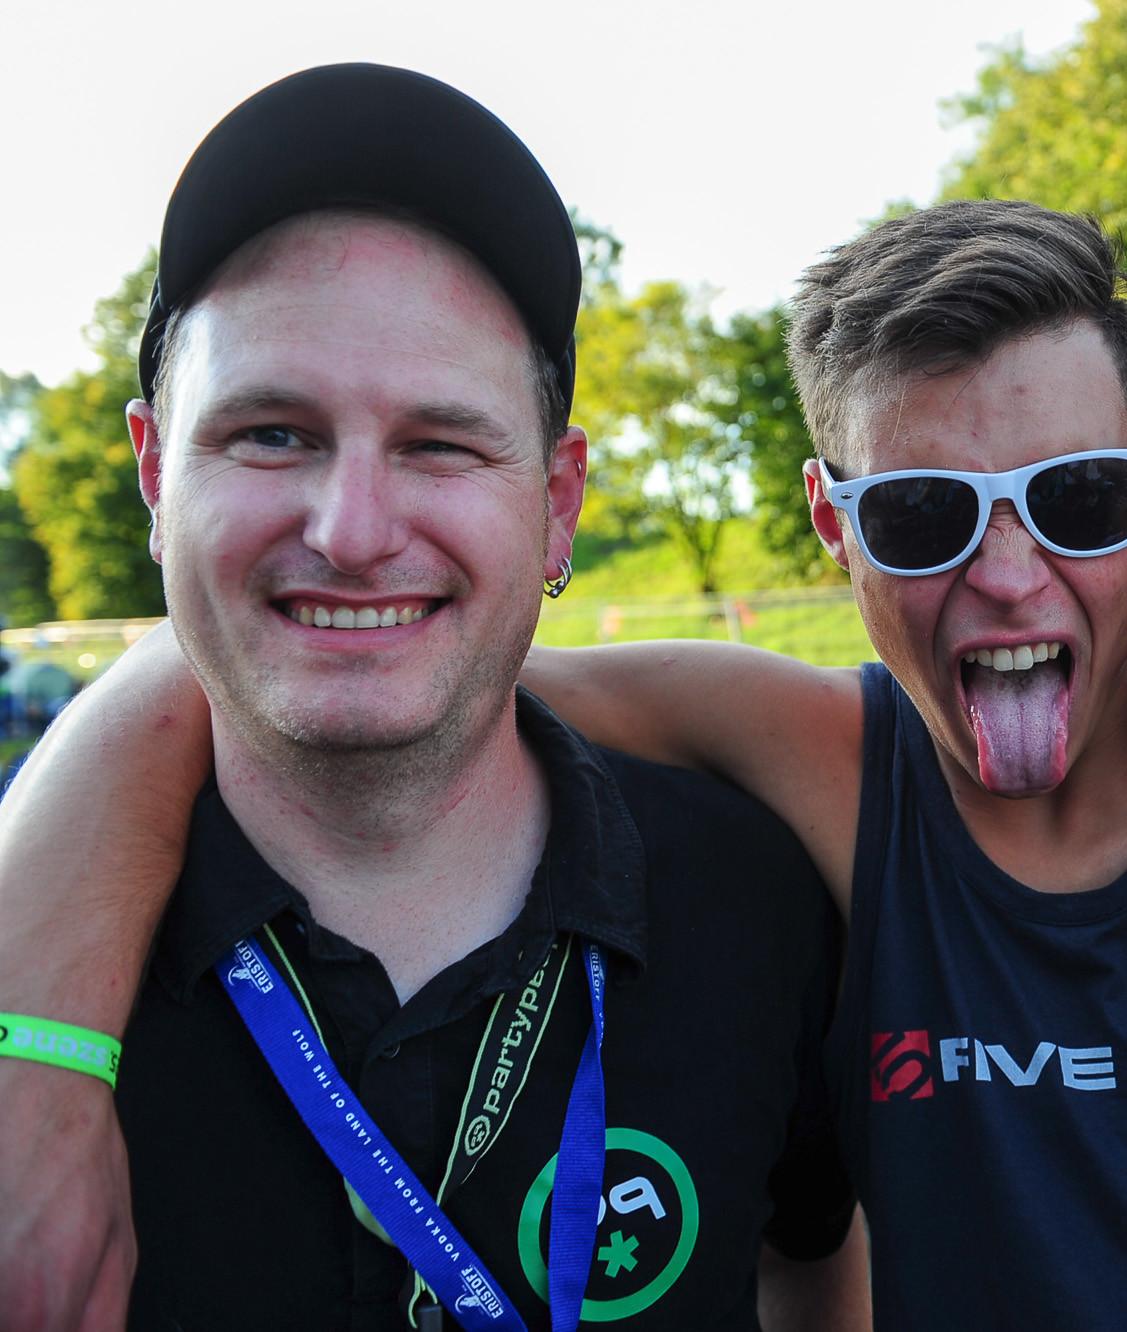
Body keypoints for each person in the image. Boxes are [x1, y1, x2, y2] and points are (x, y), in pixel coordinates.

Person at [0, 198, 1127, 1328]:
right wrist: (37, 1061)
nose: (1010, 577)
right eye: (923, 516)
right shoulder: (830, 763)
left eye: (1074, 498)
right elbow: (317, 657)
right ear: (833, 525)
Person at [0, 64, 865, 1332]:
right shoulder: (38, 989)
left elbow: (814, 1264)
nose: (351, 532)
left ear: (557, 504)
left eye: (440, 444)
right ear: (152, 475)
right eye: (271, 434)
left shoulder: (763, 902)